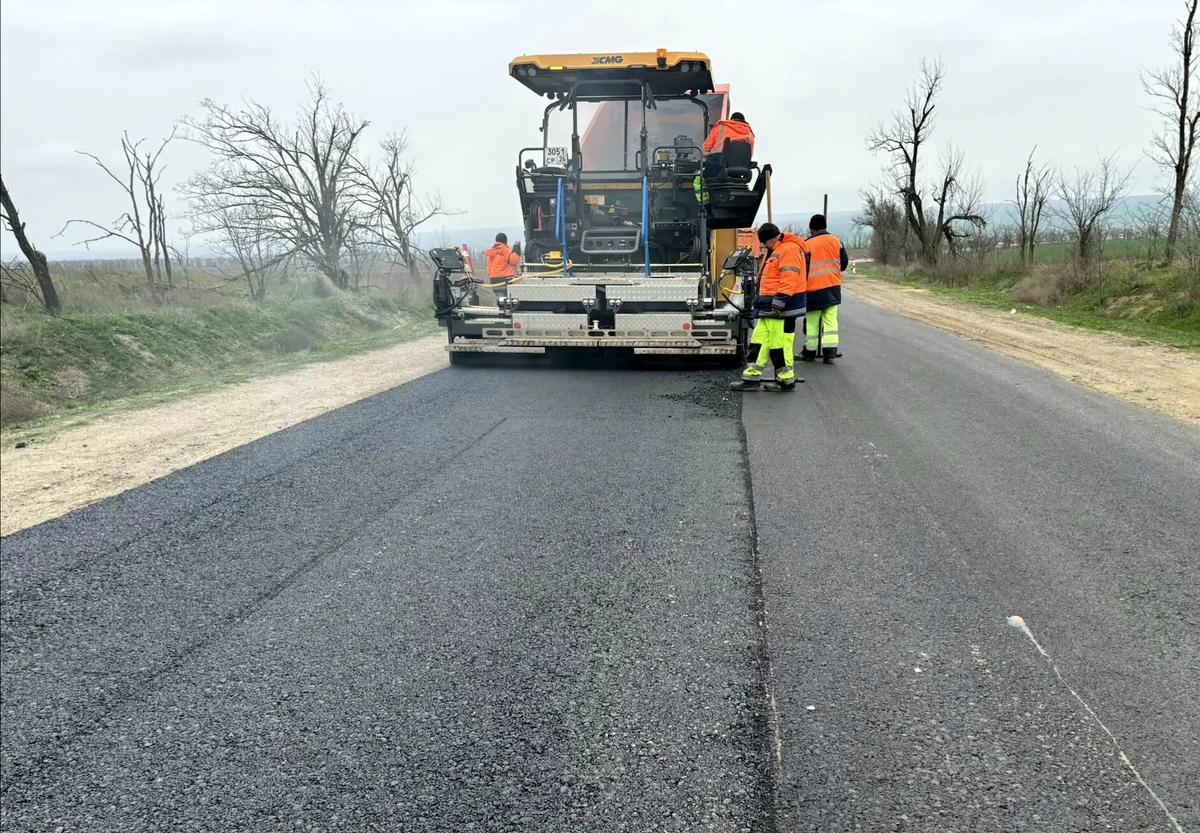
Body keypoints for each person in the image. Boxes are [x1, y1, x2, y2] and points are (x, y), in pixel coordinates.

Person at [730, 222, 806, 392]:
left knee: (778, 344)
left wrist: (779, 302)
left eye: (765, 243)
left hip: (778, 308)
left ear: (771, 239)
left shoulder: (788, 250)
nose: (764, 246)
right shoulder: (778, 249)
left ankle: (786, 380)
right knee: (759, 340)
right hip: (769, 306)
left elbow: (789, 278)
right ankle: (752, 377)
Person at [801, 214, 847, 363]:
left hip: (813, 290)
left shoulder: (807, 244)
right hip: (833, 288)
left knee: (812, 323)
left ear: (811, 228)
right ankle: (830, 355)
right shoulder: (836, 241)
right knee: (831, 322)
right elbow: (844, 264)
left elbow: (803, 269)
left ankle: (810, 353)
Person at [701, 112, 754, 178]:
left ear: (731, 120)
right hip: (739, 169)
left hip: (717, 164)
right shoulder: (750, 133)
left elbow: (705, 148)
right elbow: (750, 154)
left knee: (701, 176)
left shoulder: (720, 127)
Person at [481, 233, 520, 307]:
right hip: (505, 279)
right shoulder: (504, 249)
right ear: (506, 241)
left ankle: (502, 312)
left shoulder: (491, 252)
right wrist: (516, 247)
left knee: (500, 300)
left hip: (494, 280)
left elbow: (489, 268)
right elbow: (514, 260)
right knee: (509, 301)